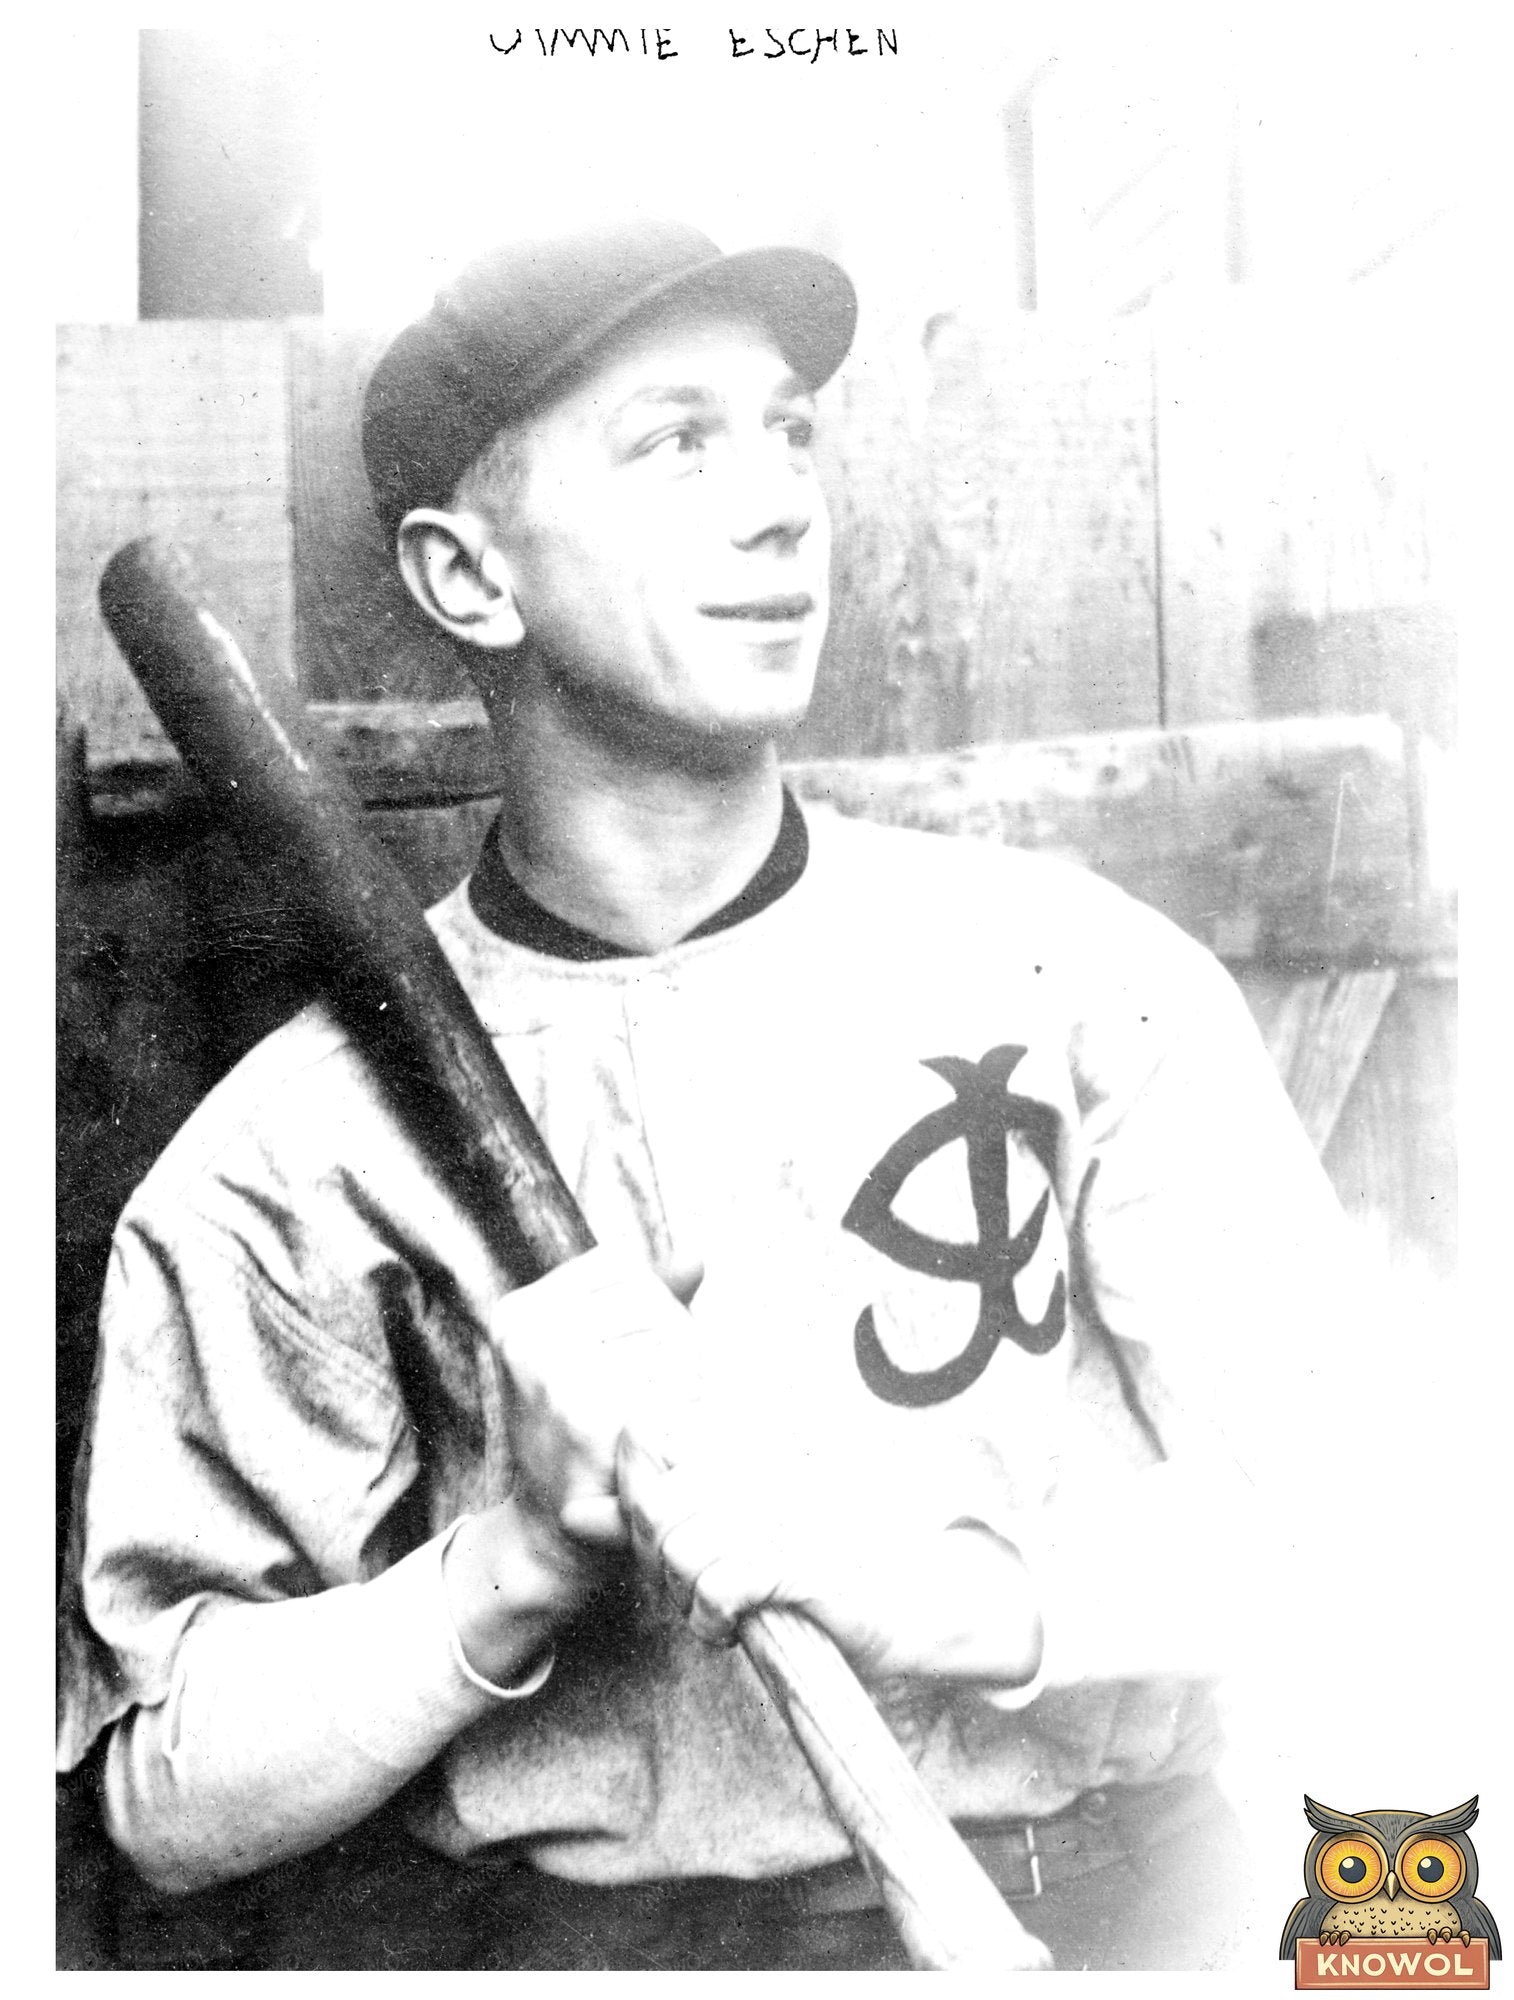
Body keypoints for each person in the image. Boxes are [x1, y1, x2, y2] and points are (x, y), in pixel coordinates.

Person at [57, 217, 1353, 1972]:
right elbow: (160, 1801)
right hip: (583, 1958)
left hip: (1104, 1911)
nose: (779, 504)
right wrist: (505, 1566)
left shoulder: (1072, 979)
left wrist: (938, 1594)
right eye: (676, 440)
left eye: (790, 430)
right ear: (466, 577)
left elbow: (1357, 1525)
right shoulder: (286, 1159)